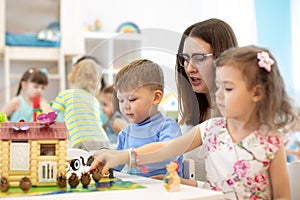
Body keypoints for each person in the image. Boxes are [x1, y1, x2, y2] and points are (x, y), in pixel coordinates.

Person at [90, 46, 297, 199]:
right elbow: (167, 149)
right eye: (217, 87)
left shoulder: (270, 143)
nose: (219, 95)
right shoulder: (210, 129)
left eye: (228, 88)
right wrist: (123, 156)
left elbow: (281, 197)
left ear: (257, 92)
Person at [167, 18, 239, 183]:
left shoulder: (239, 119)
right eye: (185, 58)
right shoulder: (190, 116)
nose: (189, 67)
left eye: (199, 58)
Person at [112, 59, 183, 177]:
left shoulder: (167, 126)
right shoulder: (126, 133)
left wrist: (128, 156)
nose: (125, 106)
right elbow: (116, 165)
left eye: (132, 99)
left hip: (165, 191)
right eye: (121, 100)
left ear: (155, 97)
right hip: (138, 191)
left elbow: (169, 154)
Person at [52, 57, 110, 151]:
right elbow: (102, 120)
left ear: (72, 76)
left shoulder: (65, 95)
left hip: (82, 142)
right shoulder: (94, 100)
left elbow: (55, 118)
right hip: (103, 141)